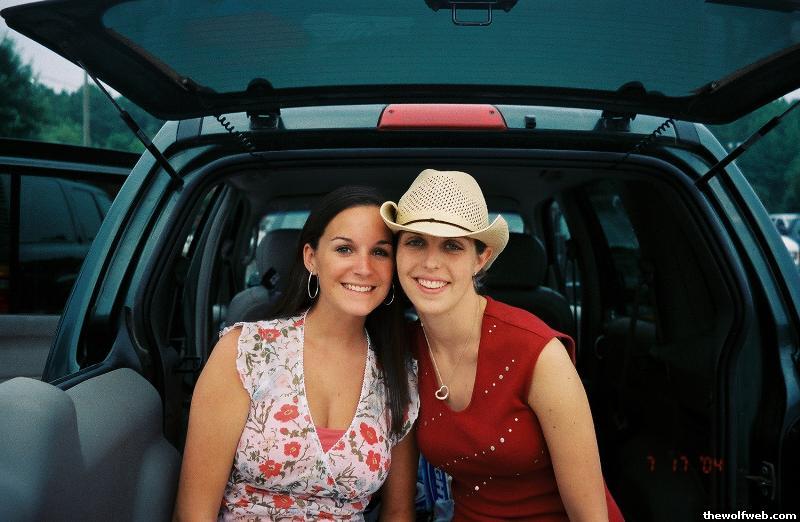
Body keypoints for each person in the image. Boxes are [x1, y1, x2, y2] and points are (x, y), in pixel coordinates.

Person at [381, 169, 624, 521]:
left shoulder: (537, 352)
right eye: (415, 242)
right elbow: (398, 507)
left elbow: (590, 516)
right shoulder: (403, 351)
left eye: (452, 245)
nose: (430, 262)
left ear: (480, 259)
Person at [174, 186, 420, 521]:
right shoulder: (248, 351)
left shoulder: (398, 372)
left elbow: (399, 512)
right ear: (311, 258)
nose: (364, 267)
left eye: (380, 252)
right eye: (345, 249)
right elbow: (193, 513)